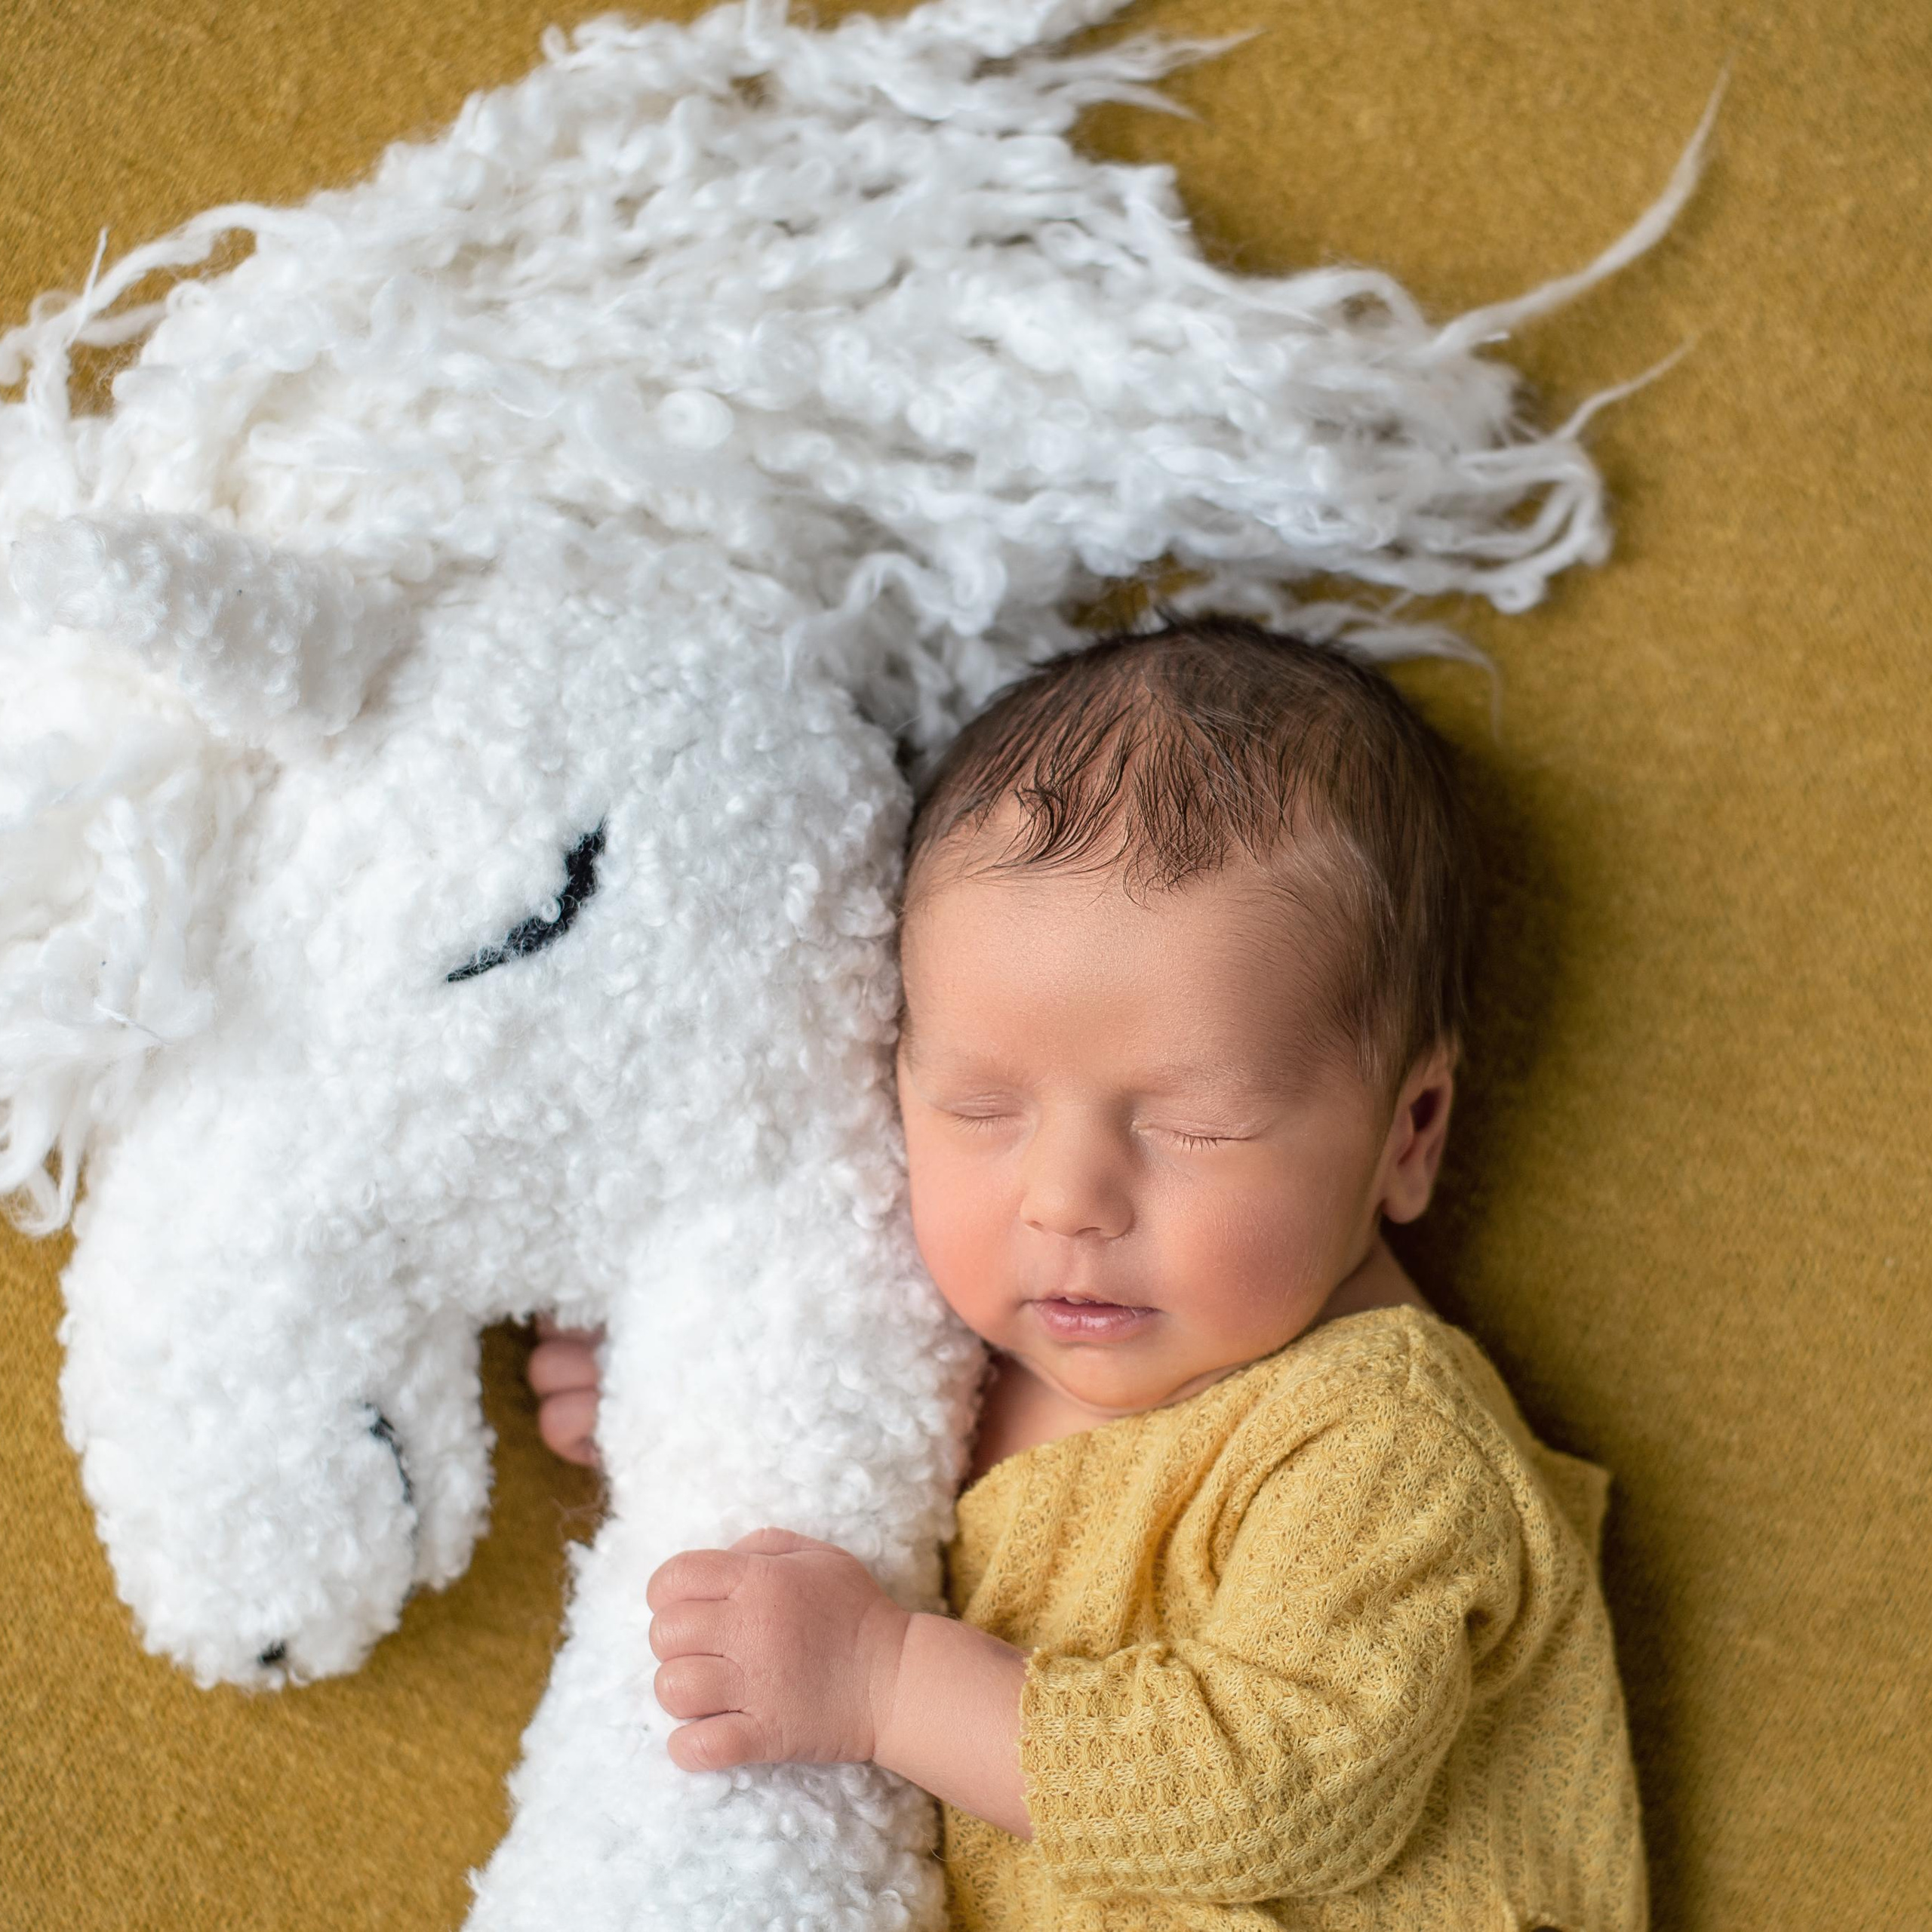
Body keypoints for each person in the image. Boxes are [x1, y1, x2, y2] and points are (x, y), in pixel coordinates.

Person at [525, 613, 1647, 1930]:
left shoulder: (1384, 1440)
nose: (1065, 1199)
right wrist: (692, 1408)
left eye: (1189, 1126)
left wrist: (887, 1682)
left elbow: (1285, 1792)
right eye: (981, 1109)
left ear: (1409, 1135)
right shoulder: (972, 1372)